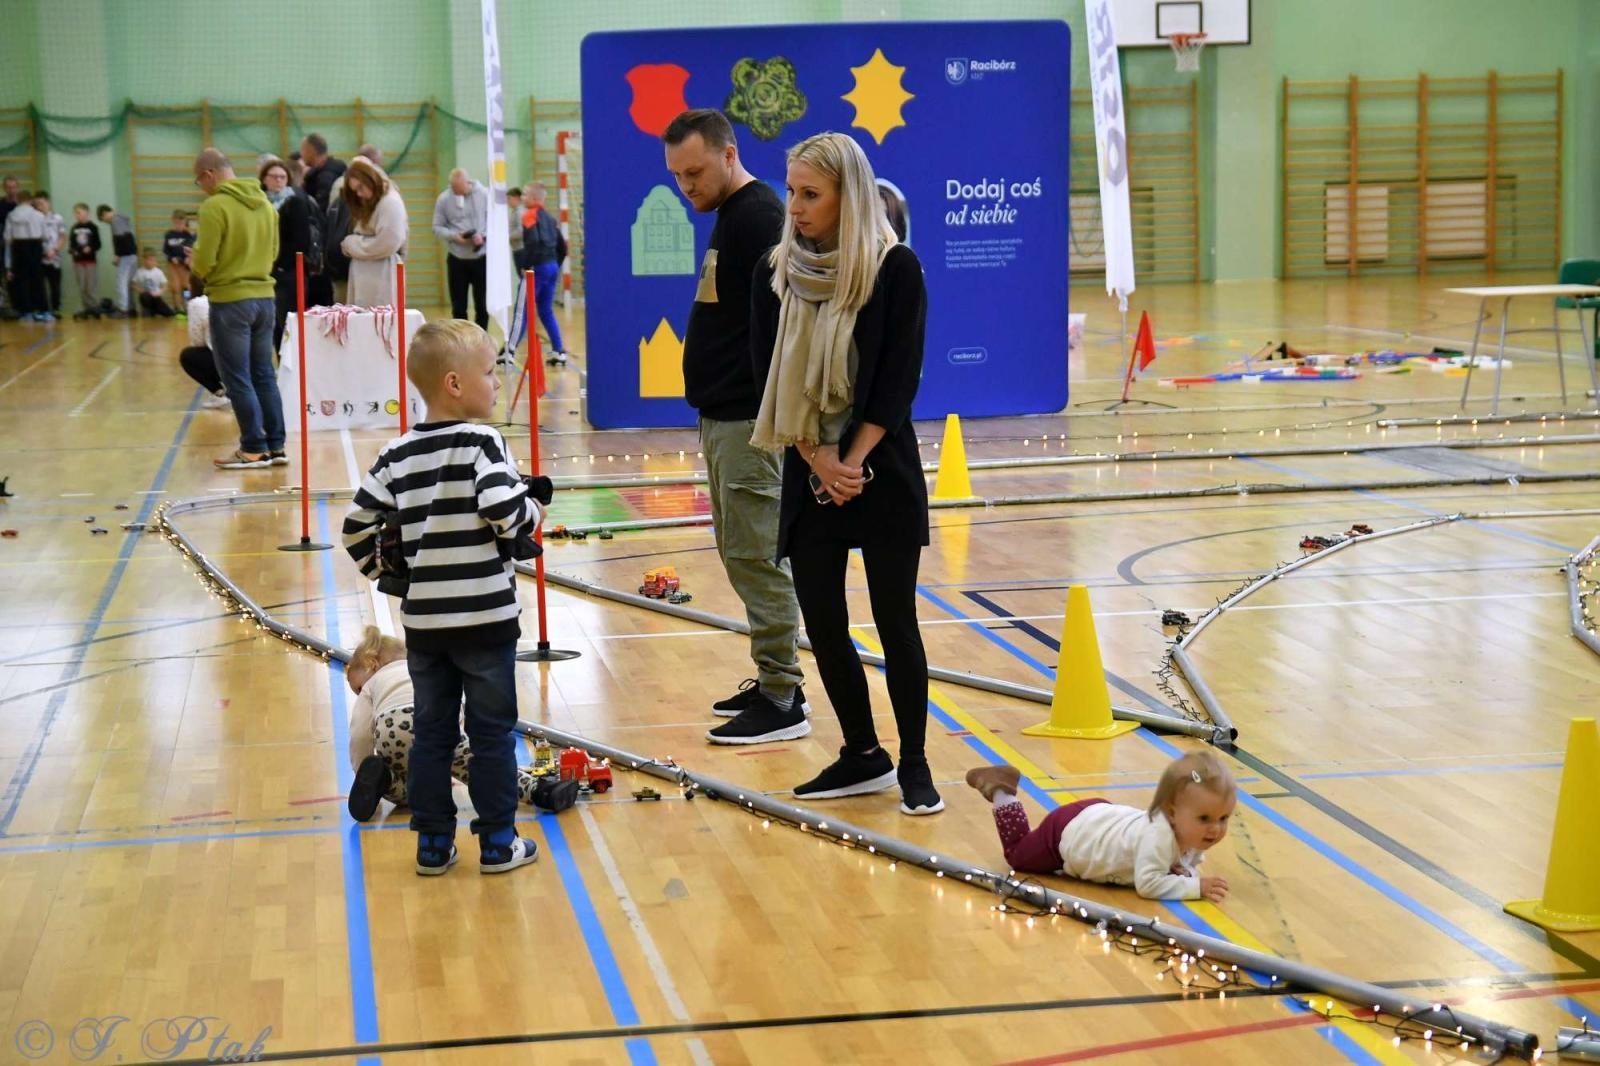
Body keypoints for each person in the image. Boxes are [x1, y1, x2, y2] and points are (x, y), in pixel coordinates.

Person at [749, 131, 940, 813]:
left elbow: (896, 382)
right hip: (811, 467)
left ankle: (915, 762)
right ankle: (862, 752)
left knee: (895, 621)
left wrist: (849, 461)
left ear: (847, 196)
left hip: (878, 465)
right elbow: (763, 375)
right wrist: (817, 459)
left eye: (811, 194)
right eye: (792, 192)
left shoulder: (896, 268)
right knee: (825, 623)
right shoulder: (775, 272)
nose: (794, 207)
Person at [341, 319, 550, 876]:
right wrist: (534, 514)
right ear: (455, 384)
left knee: (434, 733)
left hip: (427, 628)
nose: (498, 382)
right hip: (487, 620)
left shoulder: (397, 453)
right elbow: (504, 509)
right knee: (491, 736)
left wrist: (396, 575)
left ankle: (433, 844)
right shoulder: (484, 442)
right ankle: (497, 842)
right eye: (490, 372)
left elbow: (356, 530)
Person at [662, 109, 806, 746]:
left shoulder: (759, 217)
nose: (685, 186)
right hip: (724, 415)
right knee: (740, 552)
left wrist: (770, 414)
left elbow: (785, 325)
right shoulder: (731, 215)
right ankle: (772, 676)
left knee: (756, 554)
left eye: (694, 172)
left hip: (749, 420)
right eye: (676, 176)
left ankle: (783, 696)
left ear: (728, 155)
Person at [343, 625, 579, 822]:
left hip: (390, 730)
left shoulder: (374, 684)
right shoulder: (423, 669)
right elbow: (457, 700)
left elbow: (360, 733)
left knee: (410, 793)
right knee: (481, 771)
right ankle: (540, 791)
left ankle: (383, 778)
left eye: (357, 687)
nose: (359, 692)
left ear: (372, 664)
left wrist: (362, 767)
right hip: (435, 726)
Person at [965, 751, 1236, 901]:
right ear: (1172, 812)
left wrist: (1183, 870)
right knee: (1017, 856)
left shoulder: (1192, 832)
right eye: (1205, 819)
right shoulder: (1158, 837)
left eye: (1224, 818)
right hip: (1069, 834)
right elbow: (1148, 885)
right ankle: (1002, 790)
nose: (1215, 829)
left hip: (1100, 817)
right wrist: (1195, 887)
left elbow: (1180, 862)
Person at [188, 147, 285, 470]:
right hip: (265, 297)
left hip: (230, 300)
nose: (200, 187)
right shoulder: (266, 205)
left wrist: (196, 263)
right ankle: (276, 445)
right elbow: (273, 253)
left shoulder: (214, 206)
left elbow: (205, 260)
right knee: (264, 374)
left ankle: (253, 448)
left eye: (198, 180)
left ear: (210, 174)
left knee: (237, 377)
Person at [340, 156, 407, 308]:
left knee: (380, 322)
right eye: (355, 190)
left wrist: (352, 244)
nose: (358, 194)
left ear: (370, 180)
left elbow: (387, 243)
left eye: (360, 188)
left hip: (381, 273)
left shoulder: (390, 202)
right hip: (365, 272)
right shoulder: (373, 201)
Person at [259, 156, 311, 350]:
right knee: (270, 327)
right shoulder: (258, 204)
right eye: (274, 177)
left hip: (288, 273)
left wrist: (279, 265)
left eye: (283, 177)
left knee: (287, 325)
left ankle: (291, 371)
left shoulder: (295, 202)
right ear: (264, 179)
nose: (279, 181)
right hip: (264, 272)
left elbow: (301, 242)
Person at [520, 181, 570, 366]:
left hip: (538, 268)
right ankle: (559, 350)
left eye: (524, 194)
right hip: (552, 267)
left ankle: (507, 353)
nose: (522, 198)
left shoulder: (528, 216)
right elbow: (563, 248)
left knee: (523, 311)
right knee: (545, 311)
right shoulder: (550, 219)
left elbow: (532, 242)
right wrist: (554, 265)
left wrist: (526, 266)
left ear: (534, 199)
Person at [432, 168, 489, 329]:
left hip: (481, 258)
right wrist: (454, 236)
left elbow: (495, 223)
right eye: (452, 187)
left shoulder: (484, 195)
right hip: (457, 259)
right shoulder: (444, 199)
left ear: (467, 182)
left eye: (458, 188)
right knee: (458, 307)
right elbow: (437, 227)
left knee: (482, 305)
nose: (455, 191)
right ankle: (460, 341)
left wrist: (483, 237)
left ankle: (481, 339)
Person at [178, 279, 231, 409]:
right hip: (249, 360)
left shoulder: (197, 303)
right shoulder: (230, 296)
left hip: (226, 362)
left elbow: (197, 341)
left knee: (188, 356)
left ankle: (219, 393)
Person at [3, 189, 51, 322]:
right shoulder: (39, 215)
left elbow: (7, 237)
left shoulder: (11, 215)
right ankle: (43, 311)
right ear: (30, 200)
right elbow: (46, 235)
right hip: (35, 246)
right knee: (37, 279)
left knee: (22, 280)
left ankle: (27, 312)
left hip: (18, 246)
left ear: (17, 200)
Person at [97, 204, 138, 318]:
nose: (105, 222)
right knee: (129, 283)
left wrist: (117, 255)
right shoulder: (122, 218)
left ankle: (123, 309)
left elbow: (122, 239)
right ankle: (131, 307)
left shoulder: (115, 221)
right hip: (132, 254)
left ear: (105, 214)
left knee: (121, 282)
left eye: (103, 219)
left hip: (126, 255)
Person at [68, 203, 102, 319]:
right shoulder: (74, 228)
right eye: (75, 213)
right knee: (82, 285)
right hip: (78, 261)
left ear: (86, 213)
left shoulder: (93, 227)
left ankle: (93, 307)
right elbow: (72, 244)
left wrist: (91, 248)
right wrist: (73, 251)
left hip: (90, 261)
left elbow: (98, 244)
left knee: (90, 286)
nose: (77, 215)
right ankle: (86, 308)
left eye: (79, 212)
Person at [36, 192, 64, 318]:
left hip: (54, 258)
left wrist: (55, 250)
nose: (39, 206)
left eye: (41, 203)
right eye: (37, 204)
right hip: (39, 258)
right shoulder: (35, 218)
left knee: (55, 286)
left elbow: (63, 237)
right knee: (40, 286)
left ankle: (55, 309)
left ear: (48, 202)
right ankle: (43, 310)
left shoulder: (57, 218)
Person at [163, 210, 196, 309]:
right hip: (173, 265)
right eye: (177, 223)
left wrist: (187, 258)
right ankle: (177, 308)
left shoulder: (188, 235)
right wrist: (171, 258)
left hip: (184, 265)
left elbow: (192, 249)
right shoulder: (169, 235)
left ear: (185, 222)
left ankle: (187, 306)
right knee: (175, 287)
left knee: (186, 287)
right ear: (173, 221)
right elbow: (166, 250)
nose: (179, 225)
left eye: (181, 223)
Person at [133, 249, 176, 318]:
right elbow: (134, 284)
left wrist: (160, 292)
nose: (151, 262)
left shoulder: (158, 272)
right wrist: (141, 291)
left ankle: (156, 310)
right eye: (149, 259)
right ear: (144, 260)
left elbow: (165, 285)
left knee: (169, 313)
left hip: (156, 297)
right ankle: (148, 311)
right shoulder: (140, 272)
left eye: (153, 260)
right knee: (144, 296)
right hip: (146, 296)